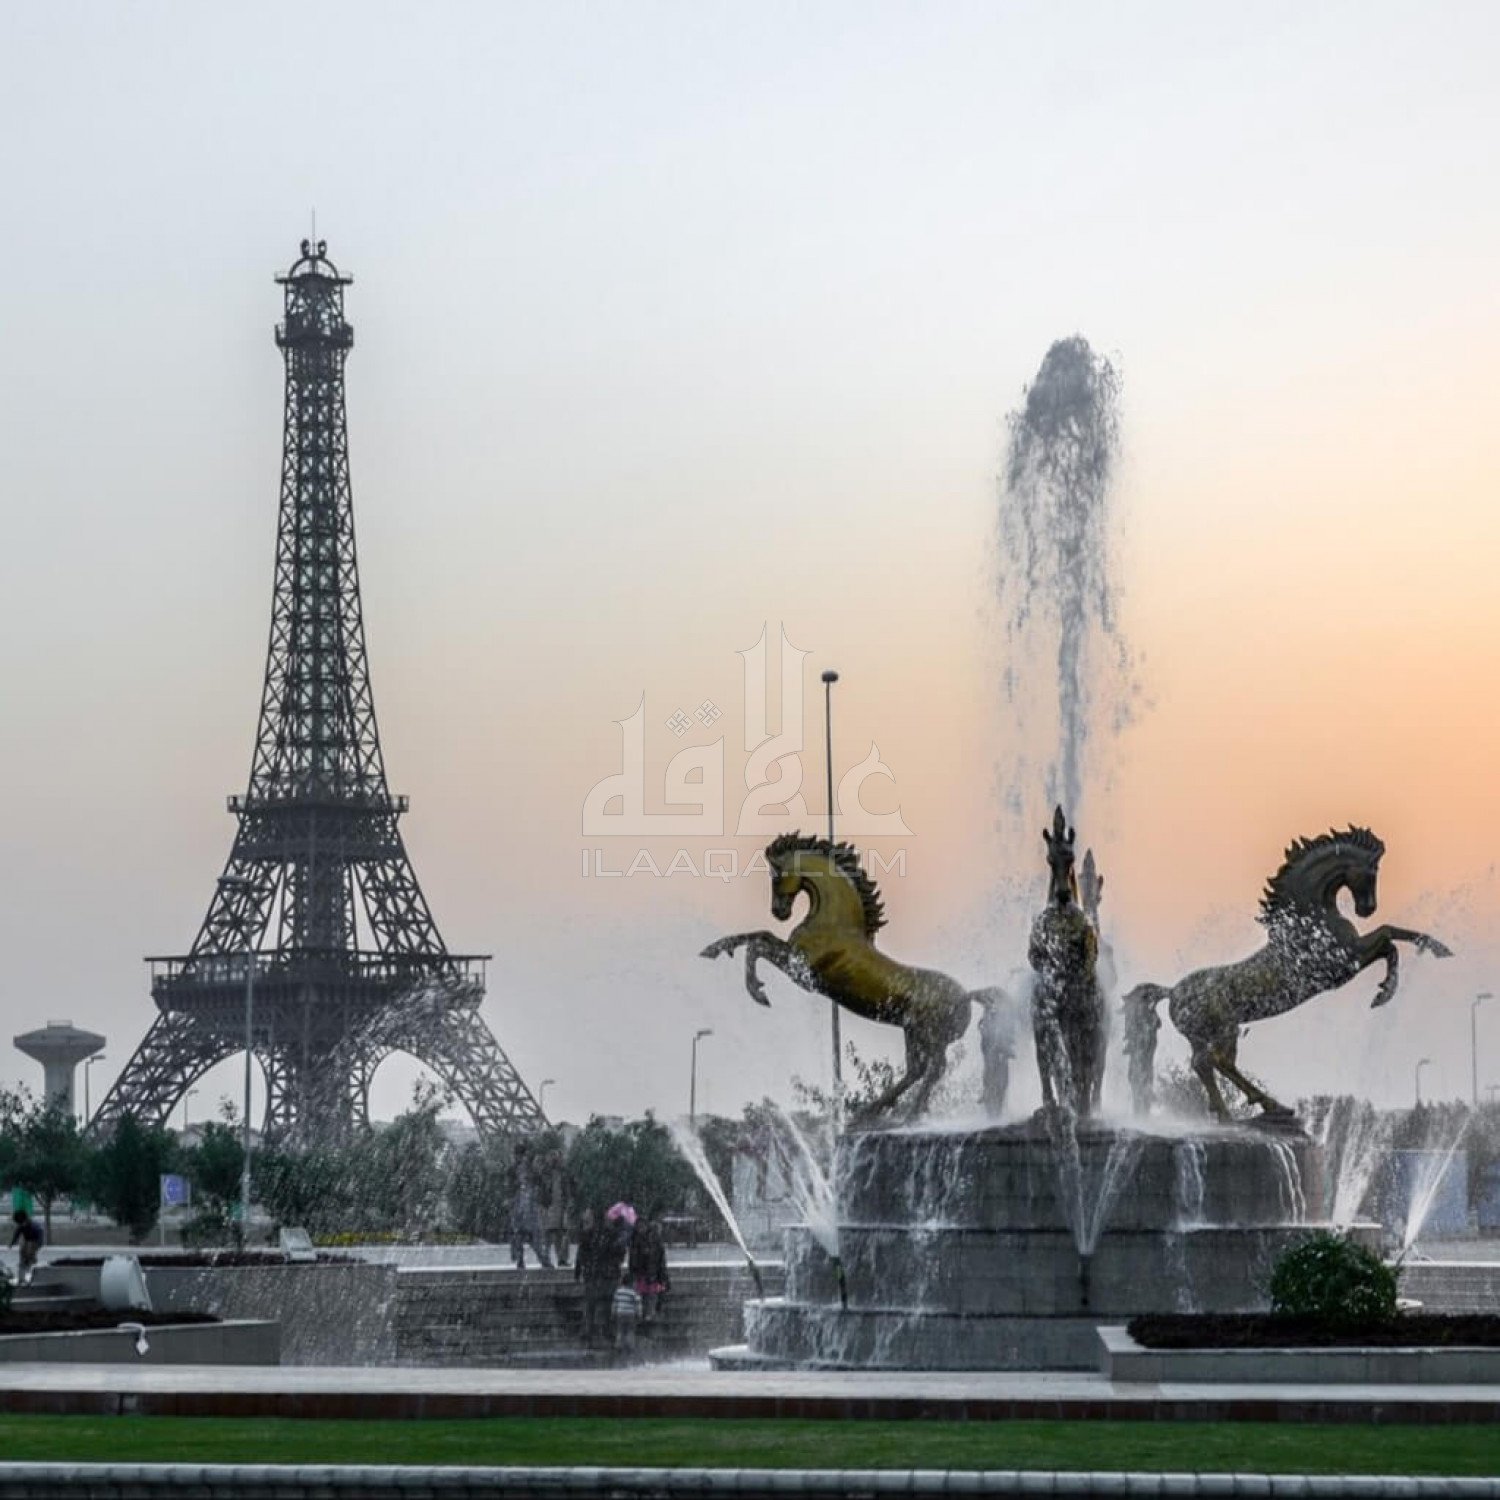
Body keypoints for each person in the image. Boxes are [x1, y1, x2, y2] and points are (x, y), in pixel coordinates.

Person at [574, 1208, 620, 1345]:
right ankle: (598, 1331)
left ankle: (593, 1331)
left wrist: (578, 1271)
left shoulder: (603, 1234)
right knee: (598, 1304)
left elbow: (581, 1255)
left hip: (599, 1273)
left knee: (596, 1304)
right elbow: (581, 1254)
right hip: (600, 1273)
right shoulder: (607, 1234)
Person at [509, 1152, 553, 1271]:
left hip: (530, 1216)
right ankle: (522, 1260)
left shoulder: (534, 1183)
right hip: (521, 1215)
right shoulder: (519, 1187)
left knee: (534, 1240)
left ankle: (543, 1260)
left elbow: (543, 1197)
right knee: (520, 1238)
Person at [629, 1214, 670, 1324]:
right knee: (642, 1294)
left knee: (651, 1293)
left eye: (642, 1226)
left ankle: (650, 1314)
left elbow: (659, 1257)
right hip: (641, 1272)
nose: (640, 1229)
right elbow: (632, 1258)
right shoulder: (635, 1239)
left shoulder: (653, 1239)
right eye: (638, 1227)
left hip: (652, 1272)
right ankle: (644, 1314)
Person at [611, 1266, 642, 1358]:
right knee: (630, 1331)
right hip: (630, 1315)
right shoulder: (634, 1293)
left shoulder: (618, 1291)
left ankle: (618, 1346)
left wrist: (613, 1313)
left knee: (620, 1330)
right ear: (632, 1283)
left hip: (620, 1314)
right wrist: (639, 1314)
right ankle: (630, 1348)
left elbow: (615, 1303)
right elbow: (638, 1304)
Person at [9, 1208, 43, 1287]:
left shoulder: (35, 1226)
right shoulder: (20, 1226)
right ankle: (21, 1278)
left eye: (22, 1223)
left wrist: (37, 1246)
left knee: (29, 1257)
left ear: (25, 1220)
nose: (21, 1225)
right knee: (23, 1258)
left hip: (34, 1241)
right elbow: (17, 1234)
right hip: (26, 1240)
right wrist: (12, 1243)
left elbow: (40, 1236)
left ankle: (30, 1270)